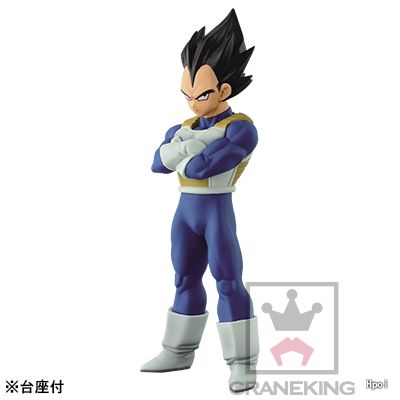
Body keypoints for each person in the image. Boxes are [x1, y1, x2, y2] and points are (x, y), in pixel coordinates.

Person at [141, 9, 259, 393]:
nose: (193, 103)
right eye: (187, 94)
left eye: (202, 94)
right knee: (184, 277)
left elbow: (202, 167)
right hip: (186, 211)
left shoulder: (240, 128)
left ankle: (242, 363)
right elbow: (158, 164)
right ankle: (178, 351)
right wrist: (188, 147)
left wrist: (183, 150)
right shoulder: (182, 127)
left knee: (228, 280)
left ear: (224, 90)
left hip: (216, 210)